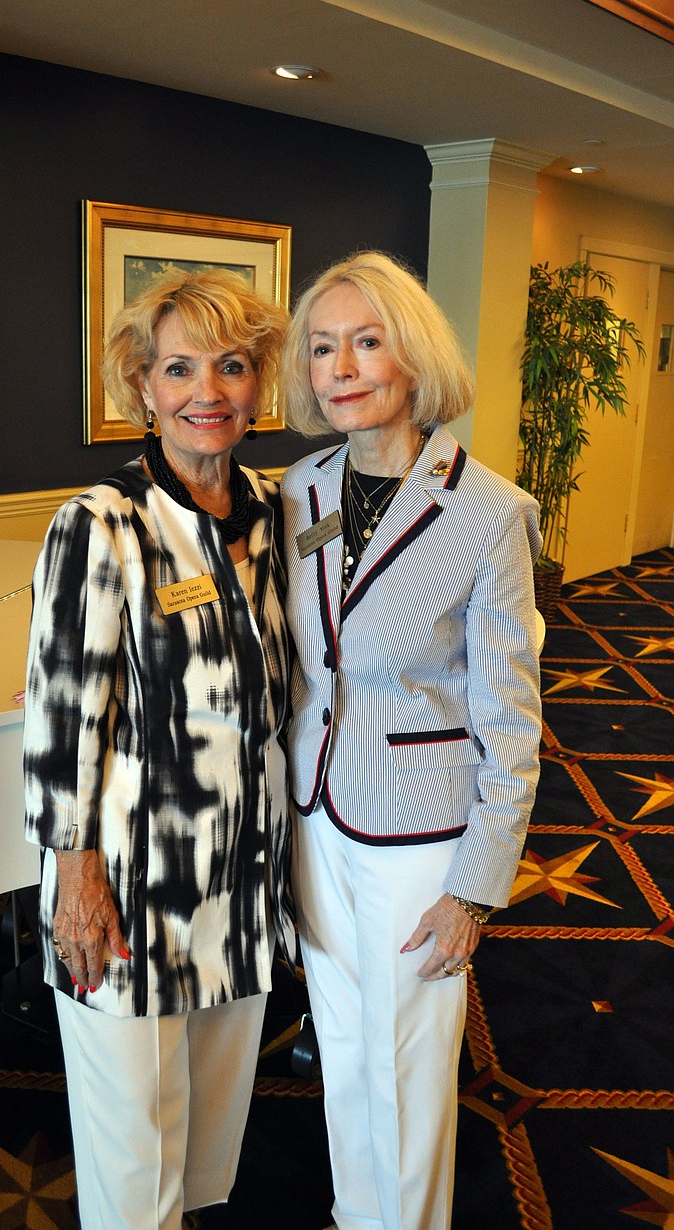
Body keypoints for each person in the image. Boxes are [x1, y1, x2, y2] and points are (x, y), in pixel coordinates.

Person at [22, 269, 294, 1230]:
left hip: (241, 885)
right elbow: (62, 720)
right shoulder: (100, 525)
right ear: (142, 386)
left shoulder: (271, 510)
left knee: (206, 1145)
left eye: (231, 366)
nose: (207, 392)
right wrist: (76, 877)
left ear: (260, 382)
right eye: (179, 368)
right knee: (135, 1160)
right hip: (131, 894)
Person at [280, 251, 542, 1230]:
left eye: (367, 340)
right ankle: (360, 1214)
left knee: (407, 1062)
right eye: (321, 346)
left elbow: (512, 720)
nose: (341, 366)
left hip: (419, 840)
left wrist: (474, 886)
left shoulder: (488, 513)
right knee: (343, 1043)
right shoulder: (297, 491)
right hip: (315, 812)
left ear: (413, 355)